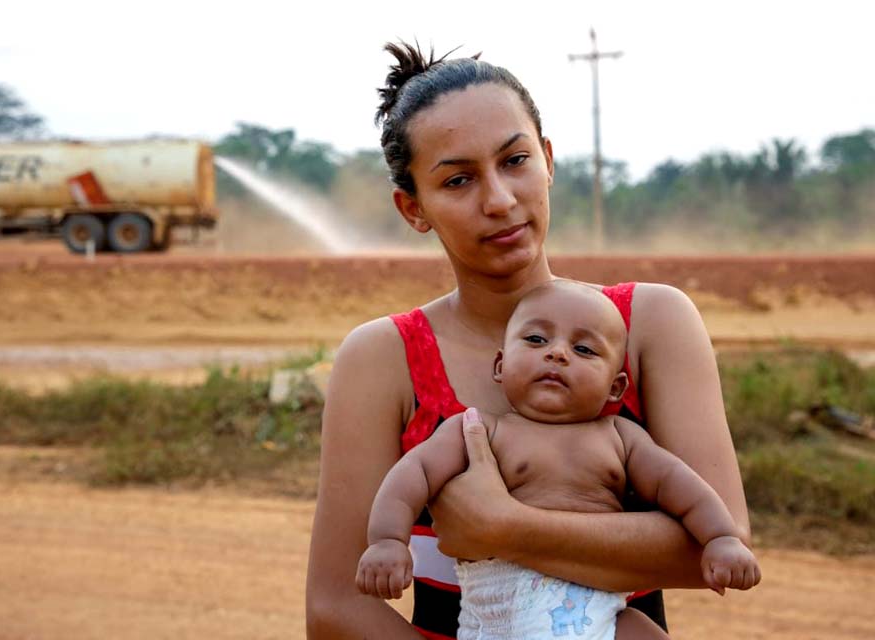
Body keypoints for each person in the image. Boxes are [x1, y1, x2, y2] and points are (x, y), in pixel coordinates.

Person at [306, 42, 753, 639]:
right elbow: (335, 608)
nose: (499, 199)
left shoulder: (649, 323)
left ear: (547, 158)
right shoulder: (383, 358)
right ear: (413, 208)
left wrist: (501, 526)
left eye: (514, 160)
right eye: (458, 179)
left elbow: (718, 544)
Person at [355, 280, 760, 639]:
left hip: (601, 614)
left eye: (583, 349)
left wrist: (721, 537)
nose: (557, 354)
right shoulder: (478, 431)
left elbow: (684, 489)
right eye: (535, 340)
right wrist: (388, 541)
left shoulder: (622, 439)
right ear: (500, 365)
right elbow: (413, 475)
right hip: (501, 617)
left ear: (616, 387)